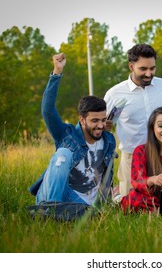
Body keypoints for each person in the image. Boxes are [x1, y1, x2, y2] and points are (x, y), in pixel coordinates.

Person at [29, 53, 116, 206]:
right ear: (82, 120)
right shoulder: (67, 135)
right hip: (60, 195)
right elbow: (48, 111)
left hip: (85, 205)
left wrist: (108, 201)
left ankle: (72, 213)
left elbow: (106, 178)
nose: (101, 125)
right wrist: (56, 73)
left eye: (103, 120)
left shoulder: (108, 140)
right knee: (63, 153)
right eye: (95, 121)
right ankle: (52, 209)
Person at [104, 44, 162, 199]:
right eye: (143, 69)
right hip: (131, 156)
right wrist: (106, 127)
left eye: (152, 68)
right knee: (130, 205)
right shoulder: (115, 94)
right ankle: (118, 195)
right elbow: (100, 126)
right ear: (131, 66)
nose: (149, 73)